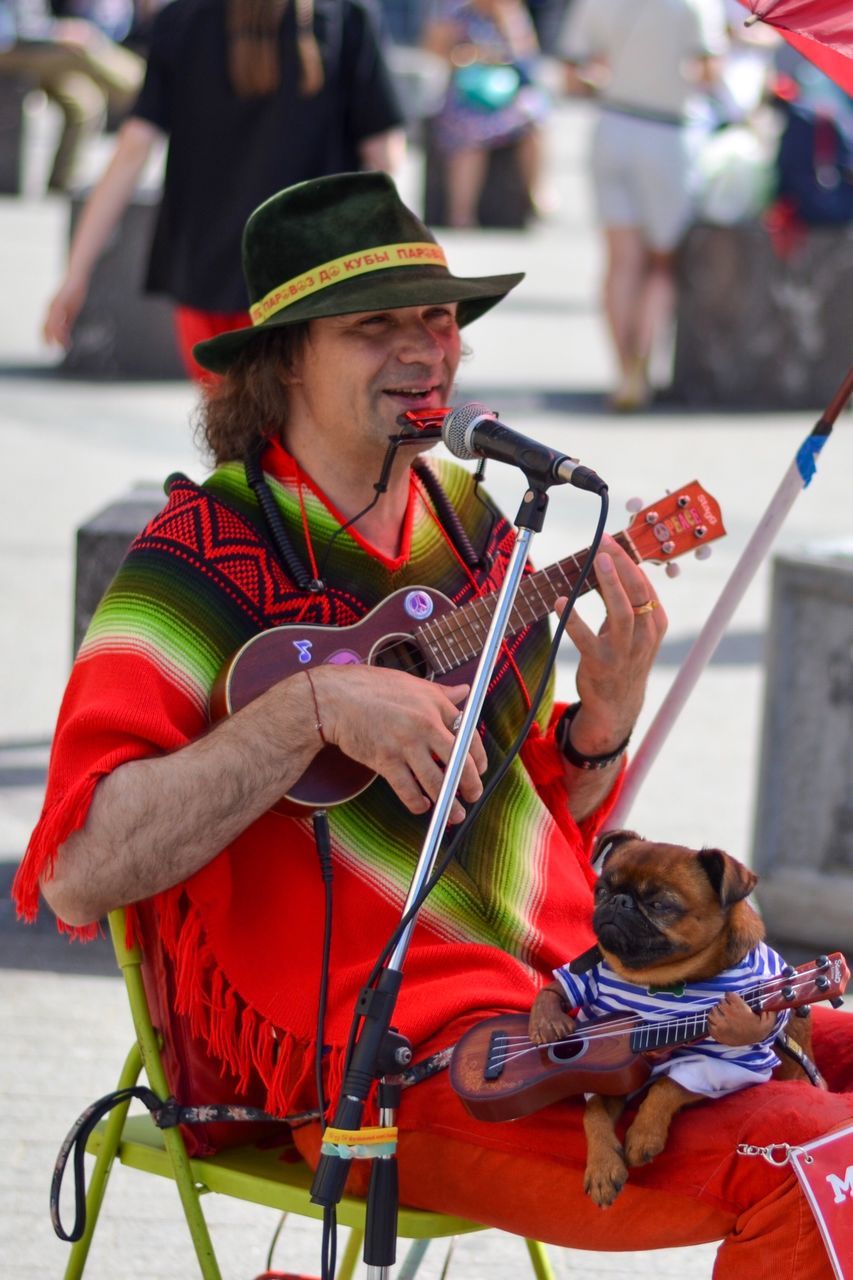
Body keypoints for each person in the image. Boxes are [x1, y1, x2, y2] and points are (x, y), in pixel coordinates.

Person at [15, 171, 853, 1278]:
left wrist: (599, 724)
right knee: (806, 1156)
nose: (425, 350)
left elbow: (518, 812)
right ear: (284, 359)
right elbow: (79, 869)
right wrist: (308, 708)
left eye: (439, 318)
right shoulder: (197, 560)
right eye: (376, 327)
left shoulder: (472, 527)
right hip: (388, 1065)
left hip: (576, 995)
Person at [41, 0, 407, 379]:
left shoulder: (181, 17)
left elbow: (133, 148)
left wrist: (76, 275)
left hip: (204, 278)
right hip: (313, 281)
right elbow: (385, 155)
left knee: (231, 431)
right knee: (298, 433)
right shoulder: (346, 16)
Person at [558, 0, 728, 410]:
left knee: (620, 261)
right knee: (661, 263)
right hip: (668, 134)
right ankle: (641, 366)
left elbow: (572, 77)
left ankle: (622, 370)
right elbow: (709, 73)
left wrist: (618, 81)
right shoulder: (695, 5)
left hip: (614, 125)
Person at [421, 0, 549, 227]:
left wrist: (507, 23)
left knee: (534, 117)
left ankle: (535, 195)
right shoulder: (456, 13)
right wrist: (467, 56)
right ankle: (461, 215)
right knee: (471, 134)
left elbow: (526, 57)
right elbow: (433, 51)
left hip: (503, 93)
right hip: (465, 93)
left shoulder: (511, 12)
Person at [0, 0, 144, 192]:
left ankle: (62, 184)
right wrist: (60, 32)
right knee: (85, 50)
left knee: (85, 101)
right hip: (13, 52)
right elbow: (17, 28)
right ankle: (139, 85)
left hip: (42, 53)